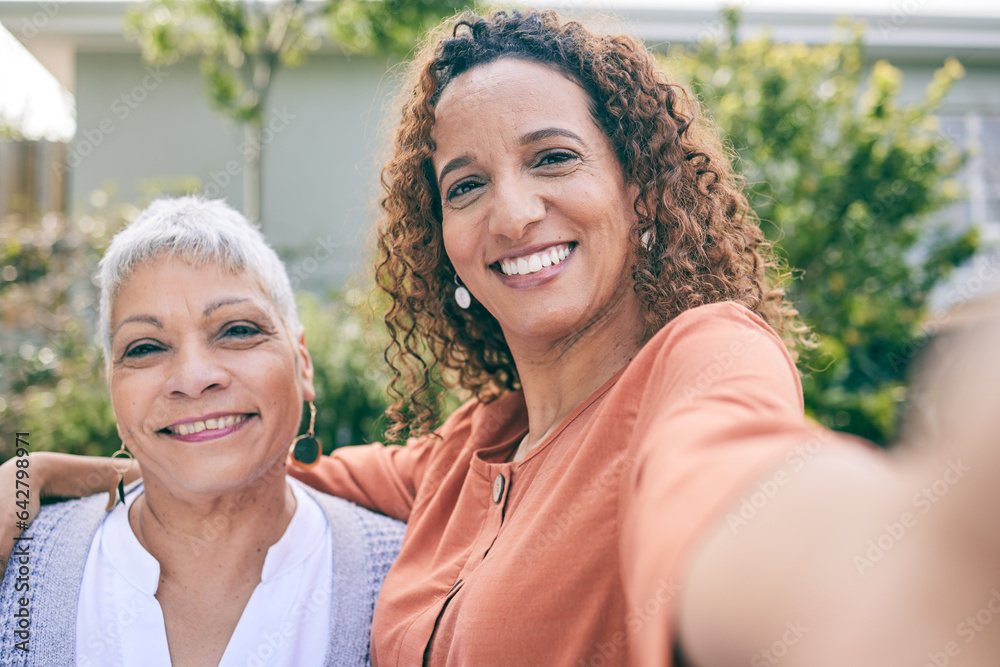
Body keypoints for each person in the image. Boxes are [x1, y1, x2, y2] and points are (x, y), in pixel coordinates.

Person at [4, 9, 1000, 666]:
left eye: (553, 158)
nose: (513, 212)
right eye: (466, 185)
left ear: (640, 192)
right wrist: (37, 476)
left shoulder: (698, 360)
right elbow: (249, 458)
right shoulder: (459, 457)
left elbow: (732, 479)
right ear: (442, 244)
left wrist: (891, 580)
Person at [0, 197, 404, 666]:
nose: (193, 378)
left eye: (236, 330)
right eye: (145, 347)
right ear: (112, 387)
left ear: (303, 363)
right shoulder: (18, 568)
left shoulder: (408, 577)